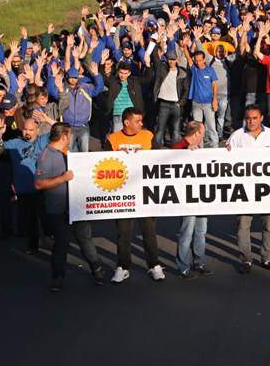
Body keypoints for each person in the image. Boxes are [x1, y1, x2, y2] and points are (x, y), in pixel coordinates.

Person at [34, 122, 105, 292]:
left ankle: (97, 268)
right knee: (61, 243)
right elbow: (38, 184)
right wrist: (62, 179)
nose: (71, 137)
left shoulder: (68, 152)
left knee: (85, 239)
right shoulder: (46, 156)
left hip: (77, 206)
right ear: (64, 136)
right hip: (57, 209)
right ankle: (57, 276)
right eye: (70, 135)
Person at [106, 107, 164, 283]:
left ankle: (154, 265)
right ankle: (123, 267)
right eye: (138, 121)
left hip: (144, 192)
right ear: (127, 123)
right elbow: (104, 165)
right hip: (123, 195)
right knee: (123, 233)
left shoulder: (148, 136)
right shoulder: (113, 139)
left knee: (149, 231)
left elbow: (162, 158)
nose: (141, 124)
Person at [227, 104, 270, 274]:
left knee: (269, 225)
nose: (251, 121)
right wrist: (226, 152)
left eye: (255, 118)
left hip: (267, 188)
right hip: (244, 188)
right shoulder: (236, 136)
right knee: (243, 225)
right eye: (248, 118)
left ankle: (267, 258)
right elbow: (225, 160)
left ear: (261, 118)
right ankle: (246, 260)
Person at [3, 114, 50, 255]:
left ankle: (51, 240)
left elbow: (65, 132)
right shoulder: (14, 144)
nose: (27, 132)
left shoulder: (42, 140)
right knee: (30, 221)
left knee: (46, 218)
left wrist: (47, 120)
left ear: (37, 131)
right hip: (23, 189)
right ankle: (33, 245)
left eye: (30, 130)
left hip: (41, 187)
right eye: (25, 129)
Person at [172, 121, 214, 278]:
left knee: (201, 231)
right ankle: (183, 267)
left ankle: (199, 262)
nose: (203, 136)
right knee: (187, 232)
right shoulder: (179, 147)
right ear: (196, 134)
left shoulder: (199, 149)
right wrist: (185, 152)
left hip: (201, 197)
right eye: (202, 133)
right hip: (187, 199)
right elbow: (171, 158)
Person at [149, 48, 188, 149]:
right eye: (169, 59)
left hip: (176, 105)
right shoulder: (162, 69)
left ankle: (175, 152)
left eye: (173, 59)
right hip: (163, 104)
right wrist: (157, 41)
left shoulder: (182, 73)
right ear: (166, 60)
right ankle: (155, 151)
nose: (171, 61)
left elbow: (185, 90)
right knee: (160, 129)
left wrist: (181, 103)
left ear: (177, 60)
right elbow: (155, 58)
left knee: (176, 131)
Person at [187, 50, 219, 147]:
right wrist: (184, 47)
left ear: (204, 60)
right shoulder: (194, 69)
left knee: (211, 127)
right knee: (197, 129)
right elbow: (188, 58)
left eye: (200, 60)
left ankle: (215, 148)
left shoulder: (210, 70)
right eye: (196, 60)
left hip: (208, 103)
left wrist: (215, 100)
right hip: (196, 103)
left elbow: (214, 85)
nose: (198, 62)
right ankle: (199, 149)